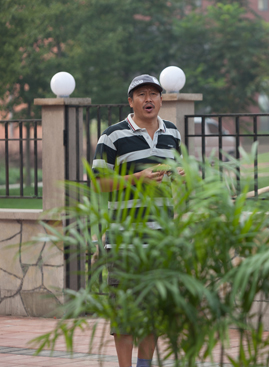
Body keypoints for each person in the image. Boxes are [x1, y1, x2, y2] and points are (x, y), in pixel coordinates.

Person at [92, 74, 183, 367]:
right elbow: (97, 183)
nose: (149, 99)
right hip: (124, 240)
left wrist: (184, 176)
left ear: (161, 99)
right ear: (130, 101)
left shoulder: (172, 133)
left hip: (161, 239)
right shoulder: (112, 135)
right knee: (125, 312)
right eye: (141, 94)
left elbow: (181, 176)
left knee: (154, 310)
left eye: (154, 94)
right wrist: (136, 178)